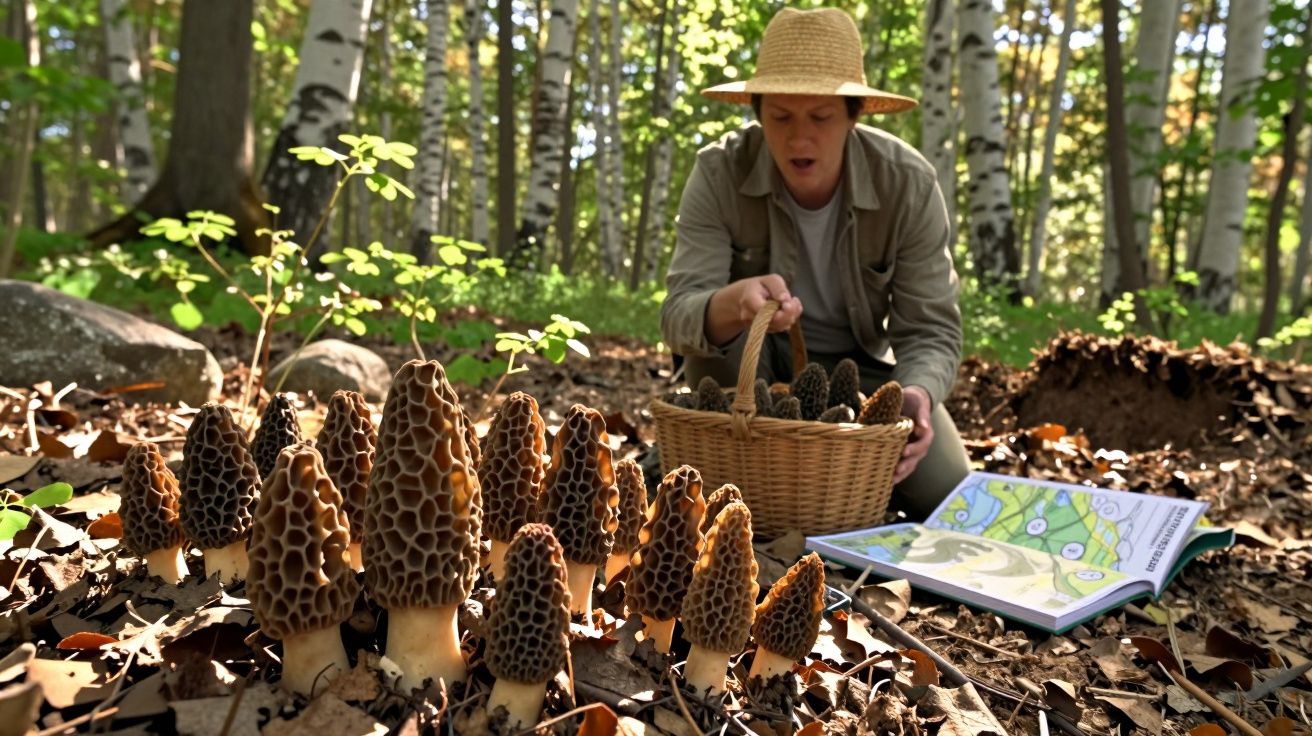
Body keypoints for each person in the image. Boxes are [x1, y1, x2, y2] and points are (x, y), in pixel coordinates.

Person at [659, 6, 971, 517]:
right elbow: (678, 317)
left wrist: (918, 393)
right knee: (715, 374)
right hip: (748, 370)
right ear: (757, 111)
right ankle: (726, 465)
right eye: (781, 116)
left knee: (943, 492)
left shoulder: (907, 183)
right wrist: (732, 304)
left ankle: (833, 471)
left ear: (855, 115)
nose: (799, 138)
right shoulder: (718, 172)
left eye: (821, 118)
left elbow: (932, 328)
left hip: (861, 370)